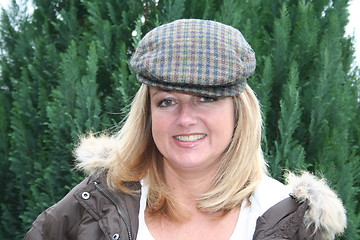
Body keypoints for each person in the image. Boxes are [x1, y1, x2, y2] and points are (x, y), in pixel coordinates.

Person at [24, 19, 346, 240]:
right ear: (147, 115)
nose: (185, 119)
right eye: (166, 102)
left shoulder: (288, 220)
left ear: (238, 111)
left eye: (205, 99)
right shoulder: (95, 203)